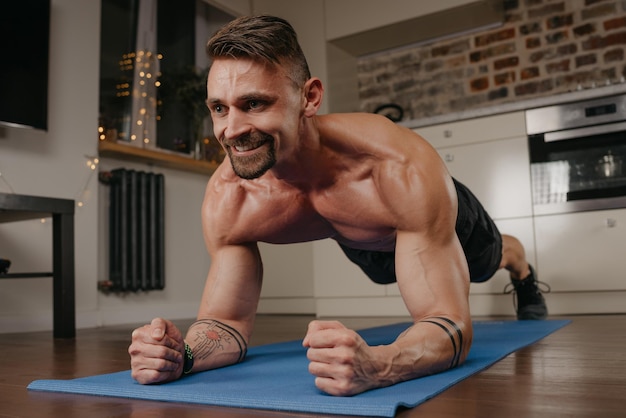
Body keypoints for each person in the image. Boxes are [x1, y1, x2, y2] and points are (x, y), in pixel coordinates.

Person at [129, 14, 548, 396]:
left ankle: (523, 271)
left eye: (254, 104)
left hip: (426, 221)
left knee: (490, 260)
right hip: (363, 239)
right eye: (219, 108)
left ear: (309, 98)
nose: (231, 130)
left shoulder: (399, 168)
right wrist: (179, 355)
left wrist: (382, 365)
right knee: (382, 267)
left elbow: (450, 322)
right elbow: (227, 323)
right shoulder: (231, 197)